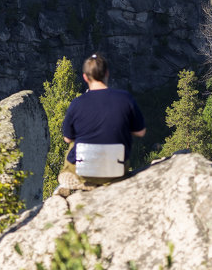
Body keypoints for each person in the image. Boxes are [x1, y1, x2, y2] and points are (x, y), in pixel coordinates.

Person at [58, 53, 147, 194]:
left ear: (85, 77)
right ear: (107, 73)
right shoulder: (125, 98)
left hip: (83, 170)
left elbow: (67, 138)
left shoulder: (76, 103)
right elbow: (141, 132)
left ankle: (78, 183)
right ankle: (109, 182)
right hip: (116, 168)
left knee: (72, 146)